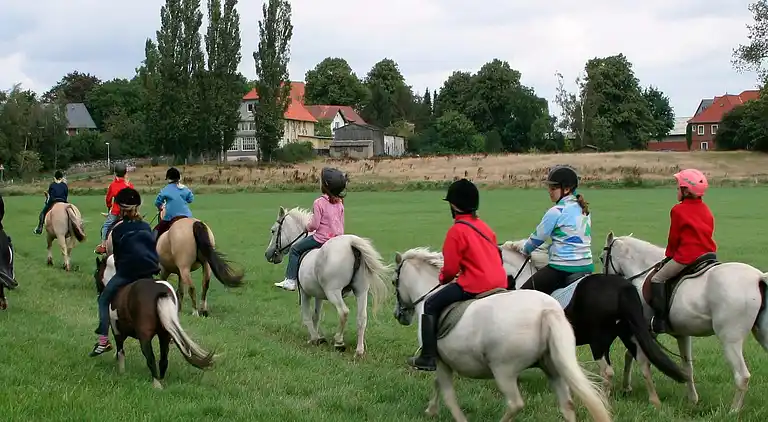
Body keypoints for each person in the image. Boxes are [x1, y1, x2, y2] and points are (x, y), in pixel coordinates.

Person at [407, 178, 507, 371]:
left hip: (475, 284)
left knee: (430, 304)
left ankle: (428, 357)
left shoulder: (456, 231)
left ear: (453, 205)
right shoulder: (485, 227)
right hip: (500, 280)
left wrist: (443, 279)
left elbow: (451, 270)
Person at [90, 187, 160, 357]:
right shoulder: (145, 226)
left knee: (103, 299)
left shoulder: (118, 230)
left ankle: (103, 341)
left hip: (127, 274)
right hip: (148, 273)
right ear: (138, 207)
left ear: (121, 209)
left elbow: (113, 254)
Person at [650, 168, 716, 334]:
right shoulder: (706, 209)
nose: (676, 189)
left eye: (678, 187)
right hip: (708, 254)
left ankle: (660, 320)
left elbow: (674, 238)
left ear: (686, 190)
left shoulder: (678, 210)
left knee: (657, 279)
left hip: (688, 256)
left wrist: (669, 256)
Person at [510, 165, 593, 294]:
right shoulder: (584, 210)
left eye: (553, 188)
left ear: (566, 189)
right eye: (549, 187)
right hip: (587, 266)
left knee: (522, 295)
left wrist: (522, 249)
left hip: (562, 268)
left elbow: (537, 239)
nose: (549, 191)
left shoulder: (556, 211)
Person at [274, 167, 347, 291]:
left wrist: (307, 226)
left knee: (295, 249)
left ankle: (290, 280)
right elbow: (341, 223)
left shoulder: (319, 202)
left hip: (321, 239)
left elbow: (314, 225)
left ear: (325, 185)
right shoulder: (340, 202)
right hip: (337, 239)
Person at [95, 163, 134, 254]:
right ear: (125, 173)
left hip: (116, 212)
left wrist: (109, 207)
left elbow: (108, 199)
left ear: (115, 173)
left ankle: (103, 246)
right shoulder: (129, 185)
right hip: (128, 212)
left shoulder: (113, 185)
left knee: (105, 227)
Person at [153, 167, 194, 240]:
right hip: (187, 216)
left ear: (168, 178)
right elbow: (190, 199)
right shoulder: (184, 188)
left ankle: (152, 246)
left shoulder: (165, 189)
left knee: (156, 230)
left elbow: (157, 202)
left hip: (170, 217)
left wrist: (160, 208)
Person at [34, 170, 68, 234]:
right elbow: (66, 195)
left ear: (55, 177)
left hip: (54, 201)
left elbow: (50, 196)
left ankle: (40, 228)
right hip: (63, 201)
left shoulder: (52, 185)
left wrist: (48, 203)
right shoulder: (65, 185)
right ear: (61, 177)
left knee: (43, 213)